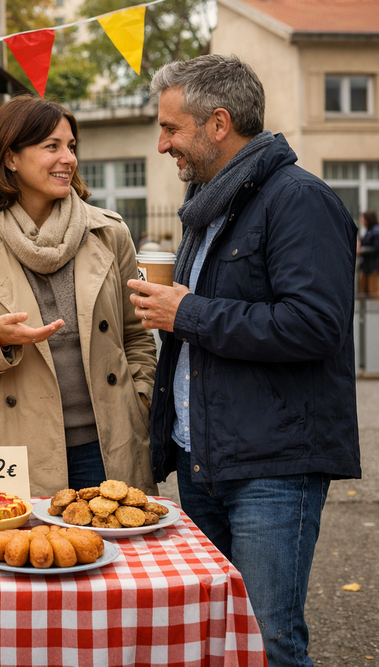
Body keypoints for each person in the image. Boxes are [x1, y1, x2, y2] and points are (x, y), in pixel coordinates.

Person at [127, 55, 361, 667]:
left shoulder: (298, 200)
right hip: (205, 462)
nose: (161, 144)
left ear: (218, 123)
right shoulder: (211, 206)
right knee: (217, 640)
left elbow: (314, 325)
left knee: (268, 641)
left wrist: (190, 314)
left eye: (171, 128)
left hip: (272, 469)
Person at [0, 95, 157, 497]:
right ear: (10, 157)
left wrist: (139, 399)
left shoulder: (110, 233)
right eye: (52, 146)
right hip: (9, 456)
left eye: (71, 146)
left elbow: (136, 337)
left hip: (108, 448)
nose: (69, 158)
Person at [358, 210, 379, 297]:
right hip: (366, 266)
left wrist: (361, 250)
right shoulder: (368, 231)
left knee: (373, 292)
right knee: (362, 292)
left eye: (363, 219)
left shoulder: (376, 231)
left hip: (373, 267)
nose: (361, 221)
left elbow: (376, 248)